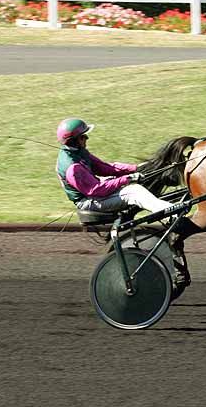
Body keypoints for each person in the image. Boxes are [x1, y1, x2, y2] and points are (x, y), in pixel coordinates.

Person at [55, 117, 196, 286]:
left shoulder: (79, 152)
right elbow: (96, 190)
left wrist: (138, 168)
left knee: (130, 185)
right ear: (73, 141)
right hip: (90, 201)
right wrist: (127, 180)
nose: (87, 139)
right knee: (133, 192)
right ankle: (170, 212)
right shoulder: (72, 167)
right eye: (83, 136)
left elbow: (107, 168)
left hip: (95, 191)